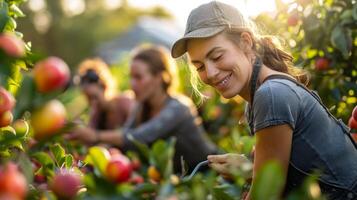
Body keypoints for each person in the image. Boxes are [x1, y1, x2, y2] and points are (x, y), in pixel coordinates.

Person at [170, 1, 357, 199]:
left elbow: (265, 194)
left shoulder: (271, 95)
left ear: (246, 42)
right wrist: (247, 166)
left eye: (216, 56)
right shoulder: (258, 97)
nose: (210, 73)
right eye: (199, 67)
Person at [69, 46, 217, 173]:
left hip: (208, 172)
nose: (132, 84)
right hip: (178, 178)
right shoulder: (141, 106)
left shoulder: (179, 108)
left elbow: (137, 137)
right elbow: (122, 138)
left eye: (138, 77)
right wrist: (82, 165)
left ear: (160, 77)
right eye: (131, 77)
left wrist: (94, 135)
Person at [77, 58, 134, 130]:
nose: (93, 102)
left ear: (104, 87)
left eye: (94, 97)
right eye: (88, 99)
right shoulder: (97, 114)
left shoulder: (125, 102)